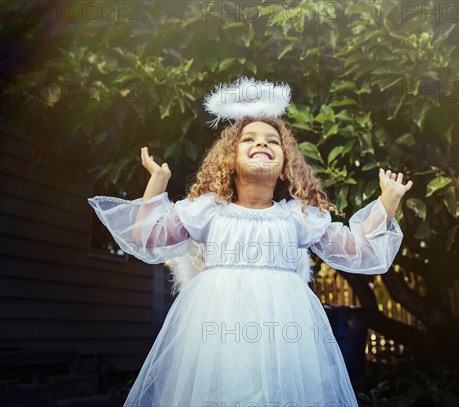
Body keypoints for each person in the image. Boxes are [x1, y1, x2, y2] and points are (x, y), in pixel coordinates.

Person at [87, 79, 413, 406]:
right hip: (216, 327)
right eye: (249, 139)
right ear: (230, 158)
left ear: (286, 167)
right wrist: (157, 184)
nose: (262, 143)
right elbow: (147, 236)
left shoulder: (298, 216)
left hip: (286, 329)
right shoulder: (209, 210)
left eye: (273, 140)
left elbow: (356, 248)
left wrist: (386, 204)